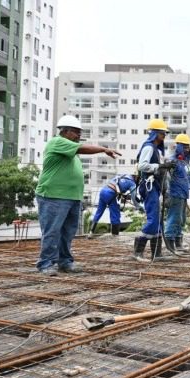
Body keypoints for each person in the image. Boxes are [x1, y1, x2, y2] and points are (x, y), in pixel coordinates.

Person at [35, 115, 121, 275]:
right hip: (54, 195)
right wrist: (104, 149)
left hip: (71, 197)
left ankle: (65, 262)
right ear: (64, 132)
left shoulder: (70, 151)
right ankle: (46, 263)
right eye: (75, 132)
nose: (78, 135)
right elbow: (84, 148)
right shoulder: (57, 142)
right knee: (52, 231)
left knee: (68, 231)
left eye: (79, 132)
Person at [133, 119, 175, 261]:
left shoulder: (157, 150)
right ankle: (137, 252)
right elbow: (141, 166)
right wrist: (158, 167)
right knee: (153, 219)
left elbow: (160, 167)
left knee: (157, 220)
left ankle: (156, 254)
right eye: (162, 133)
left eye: (164, 133)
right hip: (149, 186)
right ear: (155, 133)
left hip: (156, 186)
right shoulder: (149, 147)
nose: (164, 135)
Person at [164, 133, 190, 253]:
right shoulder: (172, 161)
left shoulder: (184, 163)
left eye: (187, 147)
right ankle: (170, 244)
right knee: (174, 218)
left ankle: (178, 243)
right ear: (178, 146)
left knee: (181, 220)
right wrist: (166, 194)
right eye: (184, 147)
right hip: (174, 194)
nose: (186, 149)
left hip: (183, 195)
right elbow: (166, 178)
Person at [88, 174, 137, 238]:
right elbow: (134, 198)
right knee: (115, 214)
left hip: (103, 191)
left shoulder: (120, 177)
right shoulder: (132, 183)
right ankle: (115, 235)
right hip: (110, 194)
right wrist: (138, 206)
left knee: (99, 212)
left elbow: (117, 187)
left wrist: (120, 194)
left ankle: (91, 232)